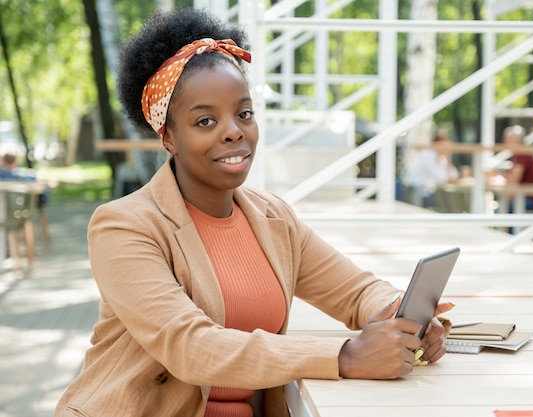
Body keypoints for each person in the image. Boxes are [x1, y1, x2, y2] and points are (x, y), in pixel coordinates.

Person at [54, 8, 453, 417]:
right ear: (169, 137)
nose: (233, 130)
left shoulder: (272, 217)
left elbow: (354, 290)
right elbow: (191, 346)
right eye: (206, 120)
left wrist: (404, 319)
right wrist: (345, 356)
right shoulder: (124, 226)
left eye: (244, 113)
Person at [402, 128, 459, 209]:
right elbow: (443, 178)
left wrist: (448, 160)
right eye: (445, 145)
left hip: (429, 193)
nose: (447, 148)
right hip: (416, 192)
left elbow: (454, 175)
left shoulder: (442, 158)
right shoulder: (428, 155)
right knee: (448, 201)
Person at [501, 124, 533, 212]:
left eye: (508, 140)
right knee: (504, 207)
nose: (505, 143)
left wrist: (506, 200)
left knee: (507, 208)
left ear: (517, 141)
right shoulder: (520, 155)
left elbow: (514, 180)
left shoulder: (522, 155)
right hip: (528, 196)